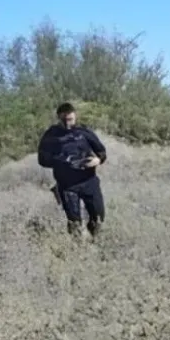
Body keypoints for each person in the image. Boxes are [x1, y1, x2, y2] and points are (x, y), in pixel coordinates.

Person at [37, 102, 108, 238]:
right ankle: (77, 250)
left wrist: (97, 161)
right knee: (74, 223)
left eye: (70, 118)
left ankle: (95, 242)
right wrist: (63, 161)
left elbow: (102, 152)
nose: (67, 122)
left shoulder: (84, 132)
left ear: (75, 116)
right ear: (59, 117)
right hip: (67, 186)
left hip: (89, 181)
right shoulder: (51, 135)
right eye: (64, 119)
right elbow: (42, 159)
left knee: (98, 218)